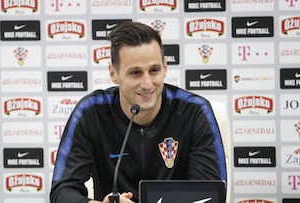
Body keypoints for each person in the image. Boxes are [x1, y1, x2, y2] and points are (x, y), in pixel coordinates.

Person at [50, 21, 227, 203]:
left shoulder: (195, 111)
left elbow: (210, 194)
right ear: (113, 73)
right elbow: (62, 191)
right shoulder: (91, 112)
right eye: (135, 73)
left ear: (165, 66)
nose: (147, 83)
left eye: (154, 70)